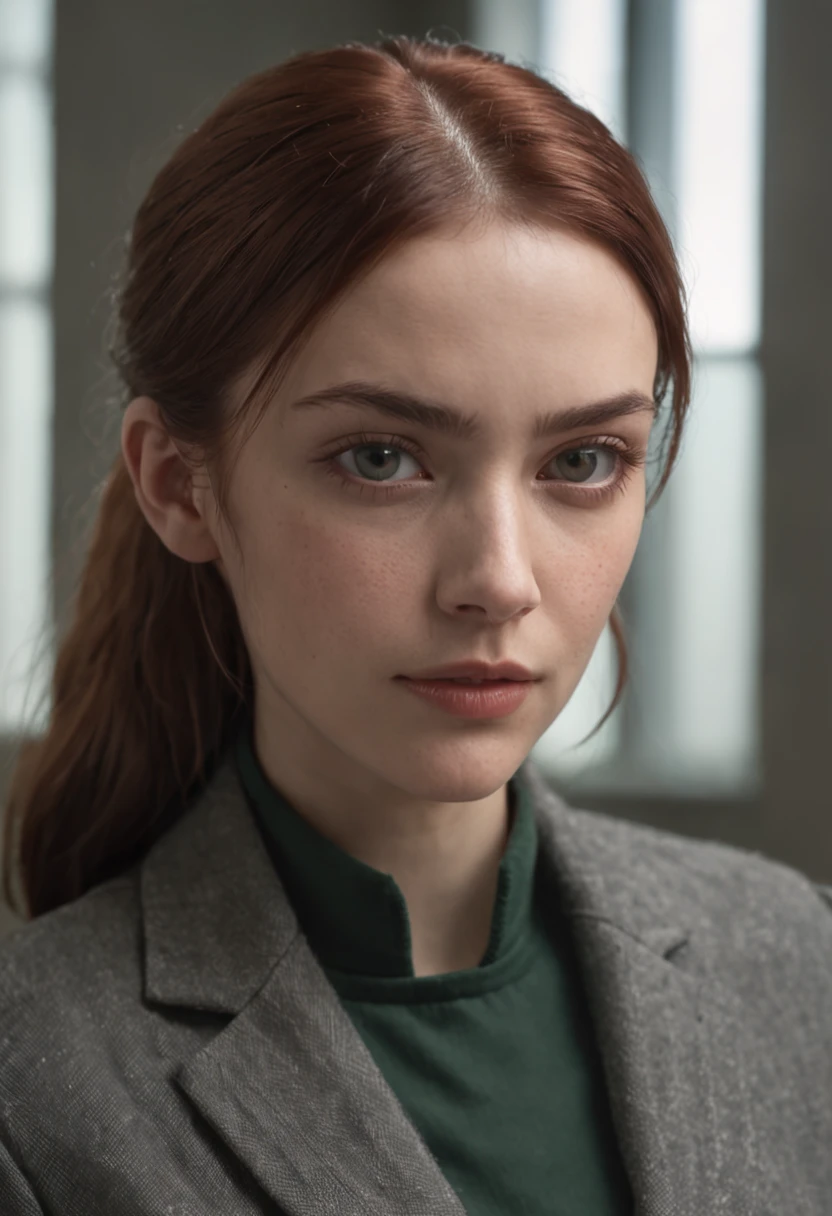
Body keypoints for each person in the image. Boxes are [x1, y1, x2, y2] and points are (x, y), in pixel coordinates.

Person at [0, 32, 829, 1216]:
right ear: (180, 485)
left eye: (582, 461)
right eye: (381, 458)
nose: (497, 579)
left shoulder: (795, 966)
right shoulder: (35, 1099)